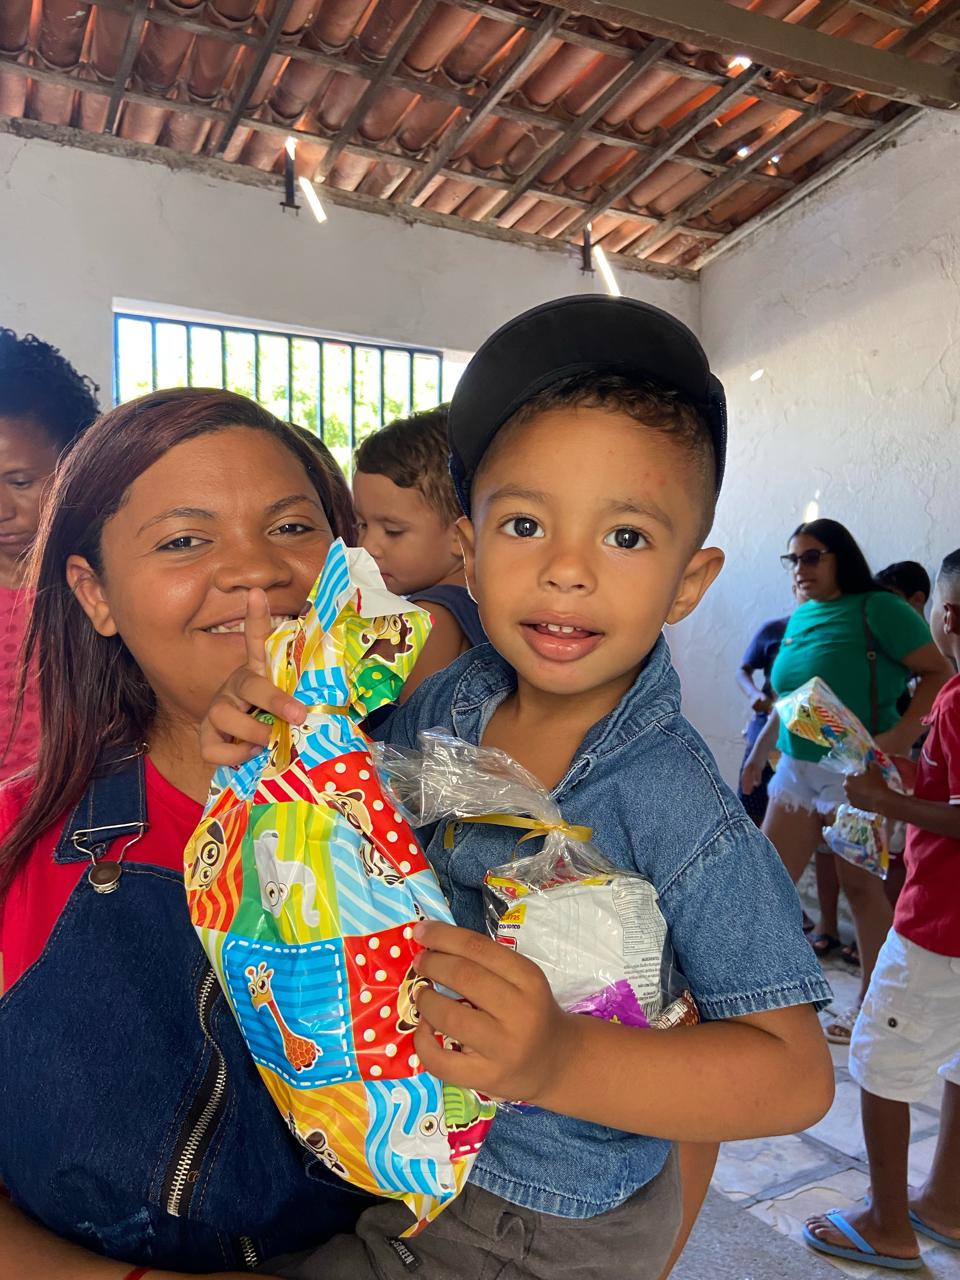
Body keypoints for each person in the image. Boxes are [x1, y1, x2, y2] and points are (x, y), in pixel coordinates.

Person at [203, 297, 836, 1280]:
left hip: (534, 1219)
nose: (567, 570)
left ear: (689, 580)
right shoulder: (447, 703)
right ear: (469, 549)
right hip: (397, 1141)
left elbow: (794, 1075)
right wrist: (269, 737)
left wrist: (561, 1060)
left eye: (626, 536)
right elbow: (352, 818)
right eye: (526, 523)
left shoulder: (674, 804)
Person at [0, 389, 373, 1279]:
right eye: (183, 541)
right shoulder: (17, 842)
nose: (256, 571)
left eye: (292, 527)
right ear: (95, 593)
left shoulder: (447, 816)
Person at [804, 549, 960, 1269]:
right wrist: (907, 777)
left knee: (879, 1056)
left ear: (948, 615)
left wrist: (883, 802)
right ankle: (946, 1201)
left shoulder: (955, 698)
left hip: (941, 924)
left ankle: (886, 1222)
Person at [742, 520, 951, 1044]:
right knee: (767, 884)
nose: (800, 569)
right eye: (793, 560)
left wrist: (899, 735)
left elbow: (938, 671)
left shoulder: (877, 608)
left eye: (812, 557)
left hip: (856, 773)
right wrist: (760, 753)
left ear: (841, 558)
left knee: (861, 888)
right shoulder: (801, 616)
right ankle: (755, 998)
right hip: (796, 769)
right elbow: (790, 697)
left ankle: (869, 1008)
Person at [0, 328, 99, 779]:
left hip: (84, 812)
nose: (3, 509)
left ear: (71, 467)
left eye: (20, 483)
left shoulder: (102, 589)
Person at [353, 407, 485, 700]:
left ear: (458, 536)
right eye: (361, 524)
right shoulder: (488, 605)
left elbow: (414, 723)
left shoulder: (428, 617)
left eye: (392, 531)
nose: (367, 546)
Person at [875, 560, 932, 910]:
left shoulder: (939, 655)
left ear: (917, 599)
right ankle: (891, 926)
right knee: (888, 853)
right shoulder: (890, 650)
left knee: (908, 851)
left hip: (926, 767)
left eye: (892, 599)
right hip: (895, 762)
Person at [736, 614, 788, 825]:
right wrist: (753, 694)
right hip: (764, 729)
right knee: (751, 814)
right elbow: (742, 671)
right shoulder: (774, 629)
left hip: (803, 740)